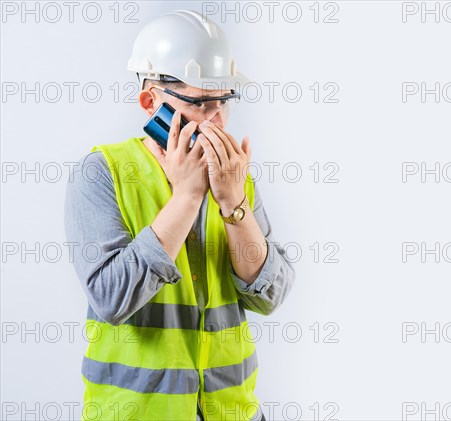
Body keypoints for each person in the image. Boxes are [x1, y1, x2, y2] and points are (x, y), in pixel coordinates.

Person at [64, 10, 295, 421]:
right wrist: (187, 196)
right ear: (151, 102)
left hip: (233, 412)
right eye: (201, 103)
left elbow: (270, 295)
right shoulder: (102, 173)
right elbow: (112, 299)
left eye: (223, 101)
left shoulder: (233, 178)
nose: (217, 120)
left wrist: (233, 206)